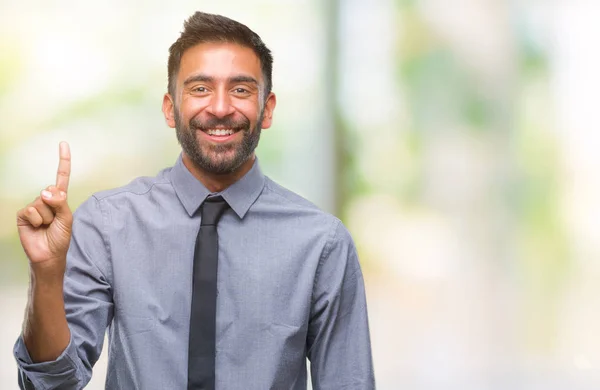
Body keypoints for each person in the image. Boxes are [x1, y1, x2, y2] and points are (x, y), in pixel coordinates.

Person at [13, 11, 375, 390]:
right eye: (200, 89)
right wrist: (47, 274)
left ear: (266, 109)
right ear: (171, 108)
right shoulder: (107, 224)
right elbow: (51, 384)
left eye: (240, 89)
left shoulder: (322, 243)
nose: (220, 108)